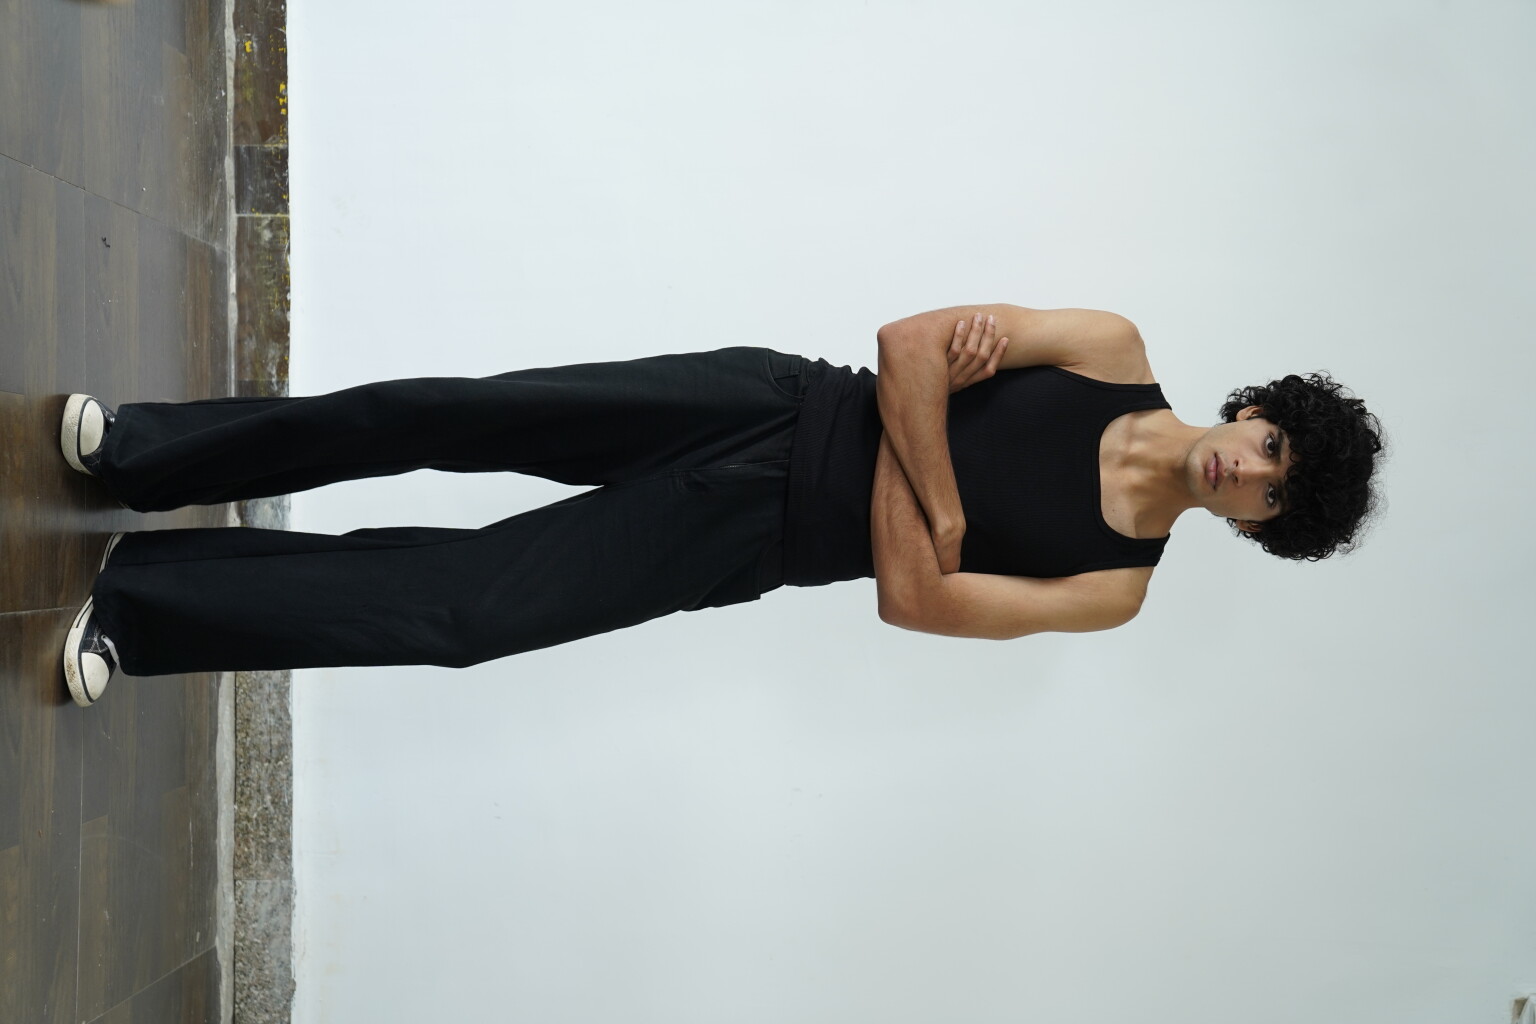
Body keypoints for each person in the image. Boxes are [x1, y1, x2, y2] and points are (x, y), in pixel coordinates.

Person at [58, 305, 1384, 707]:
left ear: (1261, 527)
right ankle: (144, 452)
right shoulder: (1108, 345)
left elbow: (913, 601)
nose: (1251, 469)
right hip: (761, 404)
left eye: (1275, 496)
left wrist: (922, 444)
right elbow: (906, 342)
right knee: (449, 413)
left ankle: (138, 608)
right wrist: (939, 499)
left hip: (757, 537)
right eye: (1272, 444)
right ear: (1258, 407)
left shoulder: (1114, 586)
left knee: (467, 615)